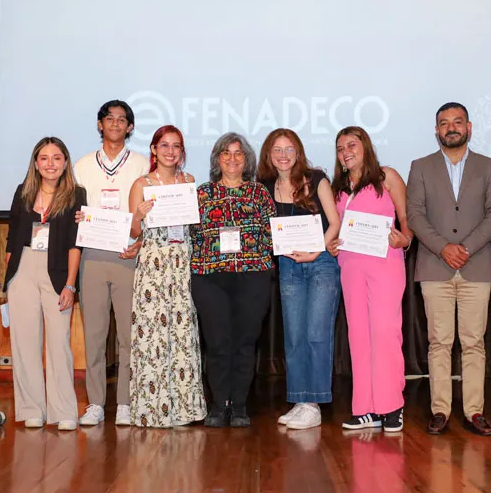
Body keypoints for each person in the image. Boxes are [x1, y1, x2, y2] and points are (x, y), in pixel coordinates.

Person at [406, 102, 491, 436]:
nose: (451, 127)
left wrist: (465, 248)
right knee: (439, 342)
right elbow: (415, 215)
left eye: (457, 122)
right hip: (435, 266)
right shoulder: (420, 167)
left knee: (474, 342)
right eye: (444, 123)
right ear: (436, 130)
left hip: (476, 266)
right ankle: (440, 410)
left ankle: (474, 411)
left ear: (469, 127)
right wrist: (443, 248)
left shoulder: (489, 166)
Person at [328, 126, 413, 433]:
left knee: (385, 333)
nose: (346, 152)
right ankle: (365, 409)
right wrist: (332, 245)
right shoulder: (338, 188)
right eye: (340, 148)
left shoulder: (387, 177)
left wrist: (405, 239)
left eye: (351, 145)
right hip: (350, 265)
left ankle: (391, 406)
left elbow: (407, 218)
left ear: (366, 146)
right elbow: (337, 227)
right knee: (358, 336)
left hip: (385, 264)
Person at [189, 132, 276, 428]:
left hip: (253, 276)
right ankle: (218, 405)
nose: (232, 158)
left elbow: (272, 235)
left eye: (239, 153)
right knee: (217, 343)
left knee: (244, 342)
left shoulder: (259, 193)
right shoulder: (202, 194)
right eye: (226, 153)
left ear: (247, 159)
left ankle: (238, 405)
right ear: (217, 159)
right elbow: (190, 234)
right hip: (210, 278)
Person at [73, 100, 151, 426]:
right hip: (92, 255)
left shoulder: (142, 164)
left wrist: (141, 243)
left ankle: (125, 403)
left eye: (122, 120)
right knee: (94, 334)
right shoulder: (81, 165)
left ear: (130, 127)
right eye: (110, 118)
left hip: (128, 255)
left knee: (129, 336)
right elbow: (73, 208)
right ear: (100, 124)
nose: (115, 124)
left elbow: (151, 214)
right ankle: (95, 403)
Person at [257, 128, 341, 430]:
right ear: (269, 155)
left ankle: (313, 404)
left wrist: (316, 250)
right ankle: (300, 399)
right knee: (294, 336)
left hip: (321, 263)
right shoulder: (265, 187)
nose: (283, 155)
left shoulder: (316, 179)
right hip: (288, 265)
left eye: (289, 149)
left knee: (316, 333)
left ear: (298, 152)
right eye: (277, 150)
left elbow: (335, 222)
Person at [126, 125, 207, 427]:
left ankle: (185, 409)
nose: (170, 151)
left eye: (176, 146)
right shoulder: (141, 184)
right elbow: (134, 232)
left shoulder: (189, 181)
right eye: (164, 145)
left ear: (182, 151)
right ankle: (153, 411)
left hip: (182, 263)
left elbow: (194, 226)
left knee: (183, 333)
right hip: (153, 266)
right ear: (154, 150)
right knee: (153, 335)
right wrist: (139, 214)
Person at [4, 137, 87, 430]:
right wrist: (11, 278)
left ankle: (64, 412)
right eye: (44, 158)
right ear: (36, 163)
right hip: (23, 269)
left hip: (58, 272)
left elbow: (76, 244)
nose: (50, 164)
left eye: (56, 158)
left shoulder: (76, 194)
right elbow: (12, 238)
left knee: (59, 343)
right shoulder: (23, 192)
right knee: (25, 343)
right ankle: (31, 409)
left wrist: (70, 285)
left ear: (65, 162)